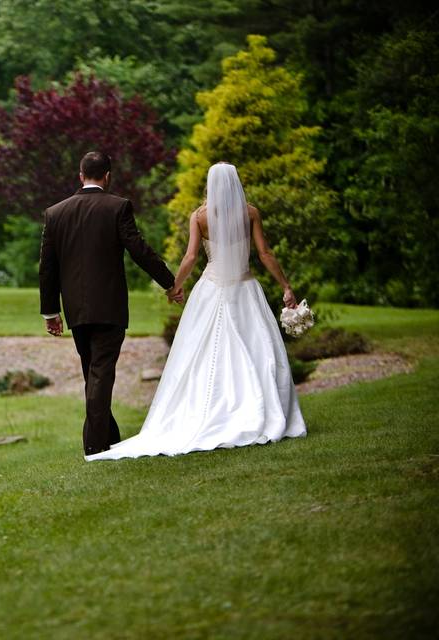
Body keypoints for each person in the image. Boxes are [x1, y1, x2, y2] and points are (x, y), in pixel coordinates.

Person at [85, 162, 306, 461]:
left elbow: (190, 256)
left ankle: (212, 407)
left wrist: (174, 286)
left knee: (201, 353)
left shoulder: (200, 217)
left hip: (211, 289)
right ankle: (257, 408)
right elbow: (265, 252)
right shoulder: (250, 212)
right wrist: (286, 286)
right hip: (245, 288)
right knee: (257, 349)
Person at [39, 151, 182, 457]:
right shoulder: (118, 207)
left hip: (76, 310)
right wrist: (170, 283)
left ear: (80, 175)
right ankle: (95, 446)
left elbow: (47, 268)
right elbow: (140, 250)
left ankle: (108, 437)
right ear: (107, 176)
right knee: (100, 374)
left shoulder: (55, 213)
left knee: (94, 372)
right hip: (109, 306)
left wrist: (51, 312)